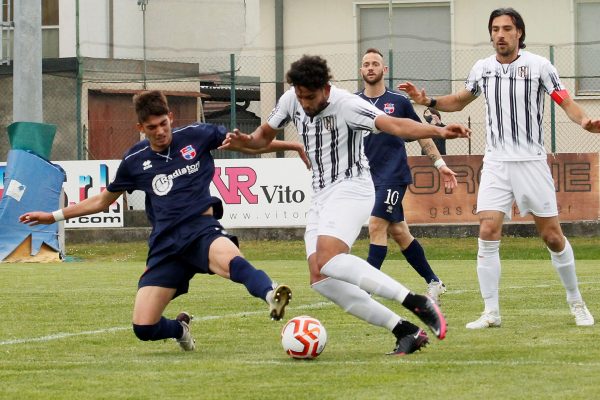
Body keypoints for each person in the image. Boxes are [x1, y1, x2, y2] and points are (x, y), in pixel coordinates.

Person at [221, 55, 471, 355]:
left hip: (352, 187)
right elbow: (262, 139)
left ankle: (415, 301)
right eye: (300, 96)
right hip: (321, 195)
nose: (305, 103)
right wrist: (245, 142)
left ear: (326, 88)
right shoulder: (291, 99)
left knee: (328, 258)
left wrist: (439, 131)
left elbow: (396, 125)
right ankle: (404, 330)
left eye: (310, 97)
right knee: (320, 278)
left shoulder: (347, 104)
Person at [19, 90, 306, 351]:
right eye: (152, 127)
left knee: (232, 260)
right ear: (140, 128)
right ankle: (180, 328)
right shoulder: (134, 161)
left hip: (201, 231)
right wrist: (53, 216)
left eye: (163, 124)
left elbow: (250, 145)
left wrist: (292, 146)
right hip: (165, 246)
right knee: (143, 328)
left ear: (170, 117)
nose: (160, 131)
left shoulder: (198, 135)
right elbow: (102, 200)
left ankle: (271, 294)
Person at [399, 7, 600, 329]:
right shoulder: (483, 68)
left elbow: (565, 100)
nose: (500, 35)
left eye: (507, 28)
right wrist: (429, 101)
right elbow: (461, 100)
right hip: (495, 162)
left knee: (552, 237)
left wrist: (586, 121)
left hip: (531, 162)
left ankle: (576, 302)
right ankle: (491, 312)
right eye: (495, 29)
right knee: (488, 231)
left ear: (519, 32)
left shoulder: (539, 67)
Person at [357, 48, 455, 304]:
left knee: (376, 226)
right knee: (399, 233)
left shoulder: (398, 102)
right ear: (361, 70)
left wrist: (439, 163)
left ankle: (364, 290)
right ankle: (435, 282)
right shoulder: (353, 102)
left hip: (393, 175)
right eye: (366, 64)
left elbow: (422, 133)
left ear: (384, 70)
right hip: (366, 177)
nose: (370, 67)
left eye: (375, 63)